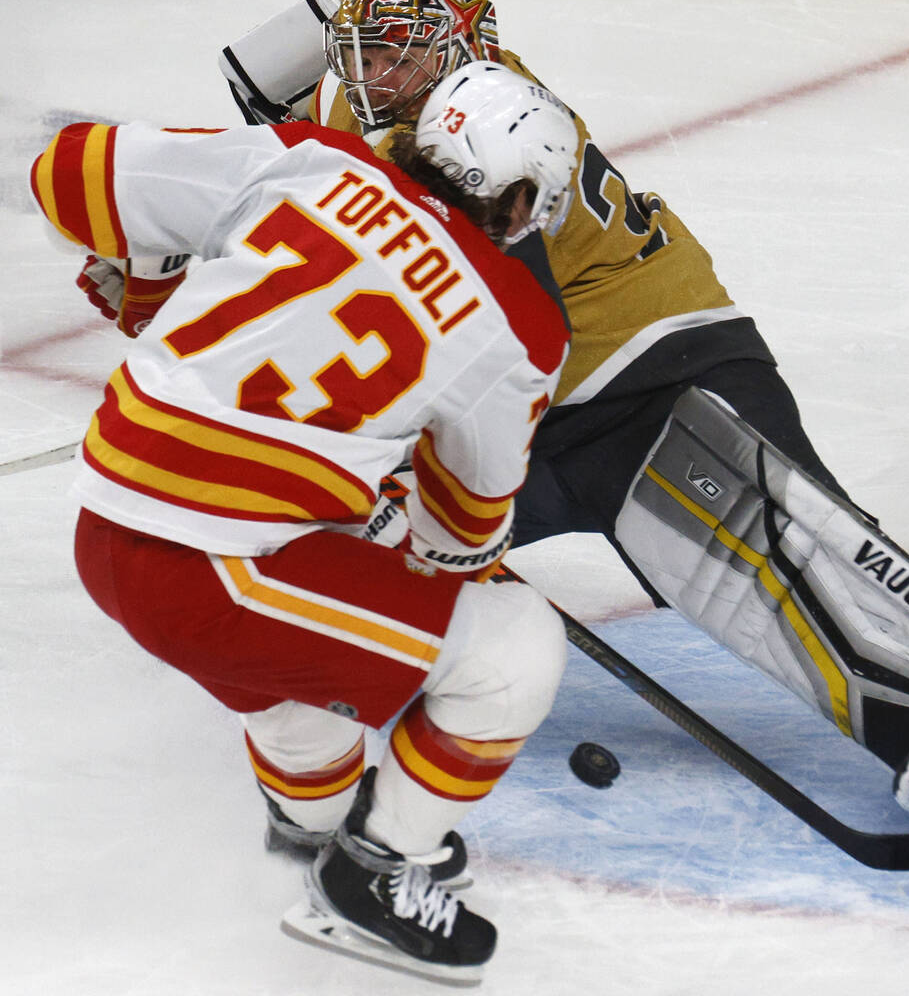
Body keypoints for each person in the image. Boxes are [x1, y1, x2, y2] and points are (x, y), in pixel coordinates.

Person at [83, 0, 909, 837]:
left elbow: (333, 222)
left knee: (789, 545)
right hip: (525, 418)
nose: (380, 71)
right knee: (348, 535)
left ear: (470, 53)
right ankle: (333, 718)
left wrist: (189, 235)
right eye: (365, 49)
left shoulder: (476, 137)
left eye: (404, 52)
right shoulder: (387, 111)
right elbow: (311, 123)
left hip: (658, 363)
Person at [32, 64, 579, 984]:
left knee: (297, 686)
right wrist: (396, 516)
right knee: (516, 650)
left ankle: (310, 841)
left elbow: (74, 174)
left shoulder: (310, 162)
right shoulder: (516, 321)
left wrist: (150, 275)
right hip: (219, 570)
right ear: (518, 198)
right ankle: (372, 879)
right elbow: (462, 528)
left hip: (109, 539)